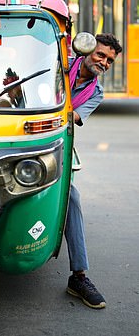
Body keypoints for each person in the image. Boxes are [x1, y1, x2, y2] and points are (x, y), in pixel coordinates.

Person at [65, 33, 122, 309]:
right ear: (87, 50)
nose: (104, 62)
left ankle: (79, 276)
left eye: (109, 60)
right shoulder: (61, 62)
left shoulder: (96, 92)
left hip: (53, 142)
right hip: (18, 131)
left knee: (71, 198)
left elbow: (72, 118)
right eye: (100, 55)